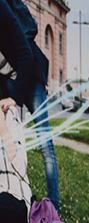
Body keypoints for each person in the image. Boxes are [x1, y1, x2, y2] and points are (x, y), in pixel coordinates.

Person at [0, 0, 57, 208]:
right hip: (9, 81)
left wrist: (15, 97)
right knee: (11, 141)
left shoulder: (1, 7)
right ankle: (18, 193)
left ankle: (55, 207)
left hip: (31, 77)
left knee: (45, 143)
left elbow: (26, 53)